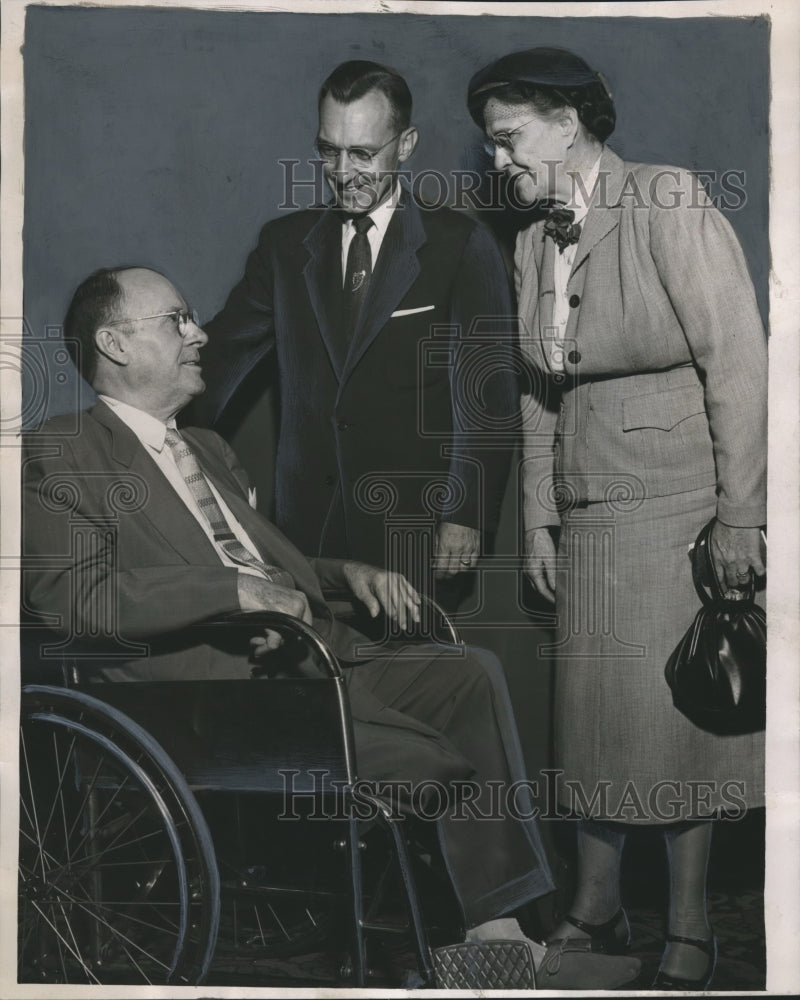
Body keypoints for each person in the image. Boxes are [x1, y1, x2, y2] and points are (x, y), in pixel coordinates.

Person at [21, 265, 641, 990]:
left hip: (305, 655)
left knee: (464, 674)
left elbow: (260, 564)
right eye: (178, 319)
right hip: (206, 691)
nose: (201, 334)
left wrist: (345, 573)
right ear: (115, 342)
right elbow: (72, 598)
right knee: (430, 758)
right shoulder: (63, 449)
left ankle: (494, 933)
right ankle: (472, 938)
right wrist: (235, 592)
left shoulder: (207, 450)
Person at [467, 46, 767, 990]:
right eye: (490, 148)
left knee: (681, 722)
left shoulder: (668, 199)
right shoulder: (530, 240)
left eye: (510, 140)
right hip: (590, 510)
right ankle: (597, 916)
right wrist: (539, 517)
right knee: (591, 729)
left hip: (680, 505)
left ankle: (688, 931)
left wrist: (742, 517)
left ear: (569, 121)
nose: (499, 163)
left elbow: (740, 362)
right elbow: (538, 393)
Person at [192, 60, 518, 596]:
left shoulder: (460, 245)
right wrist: (137, 435)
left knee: (410, 676)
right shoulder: (283, 246)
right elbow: (216, 363)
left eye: (363, 153)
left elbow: (488, 396)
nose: (343, 172)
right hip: (304, 533)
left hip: (413, 527)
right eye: (328, 150)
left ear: (406, 144)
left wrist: (466, 513)